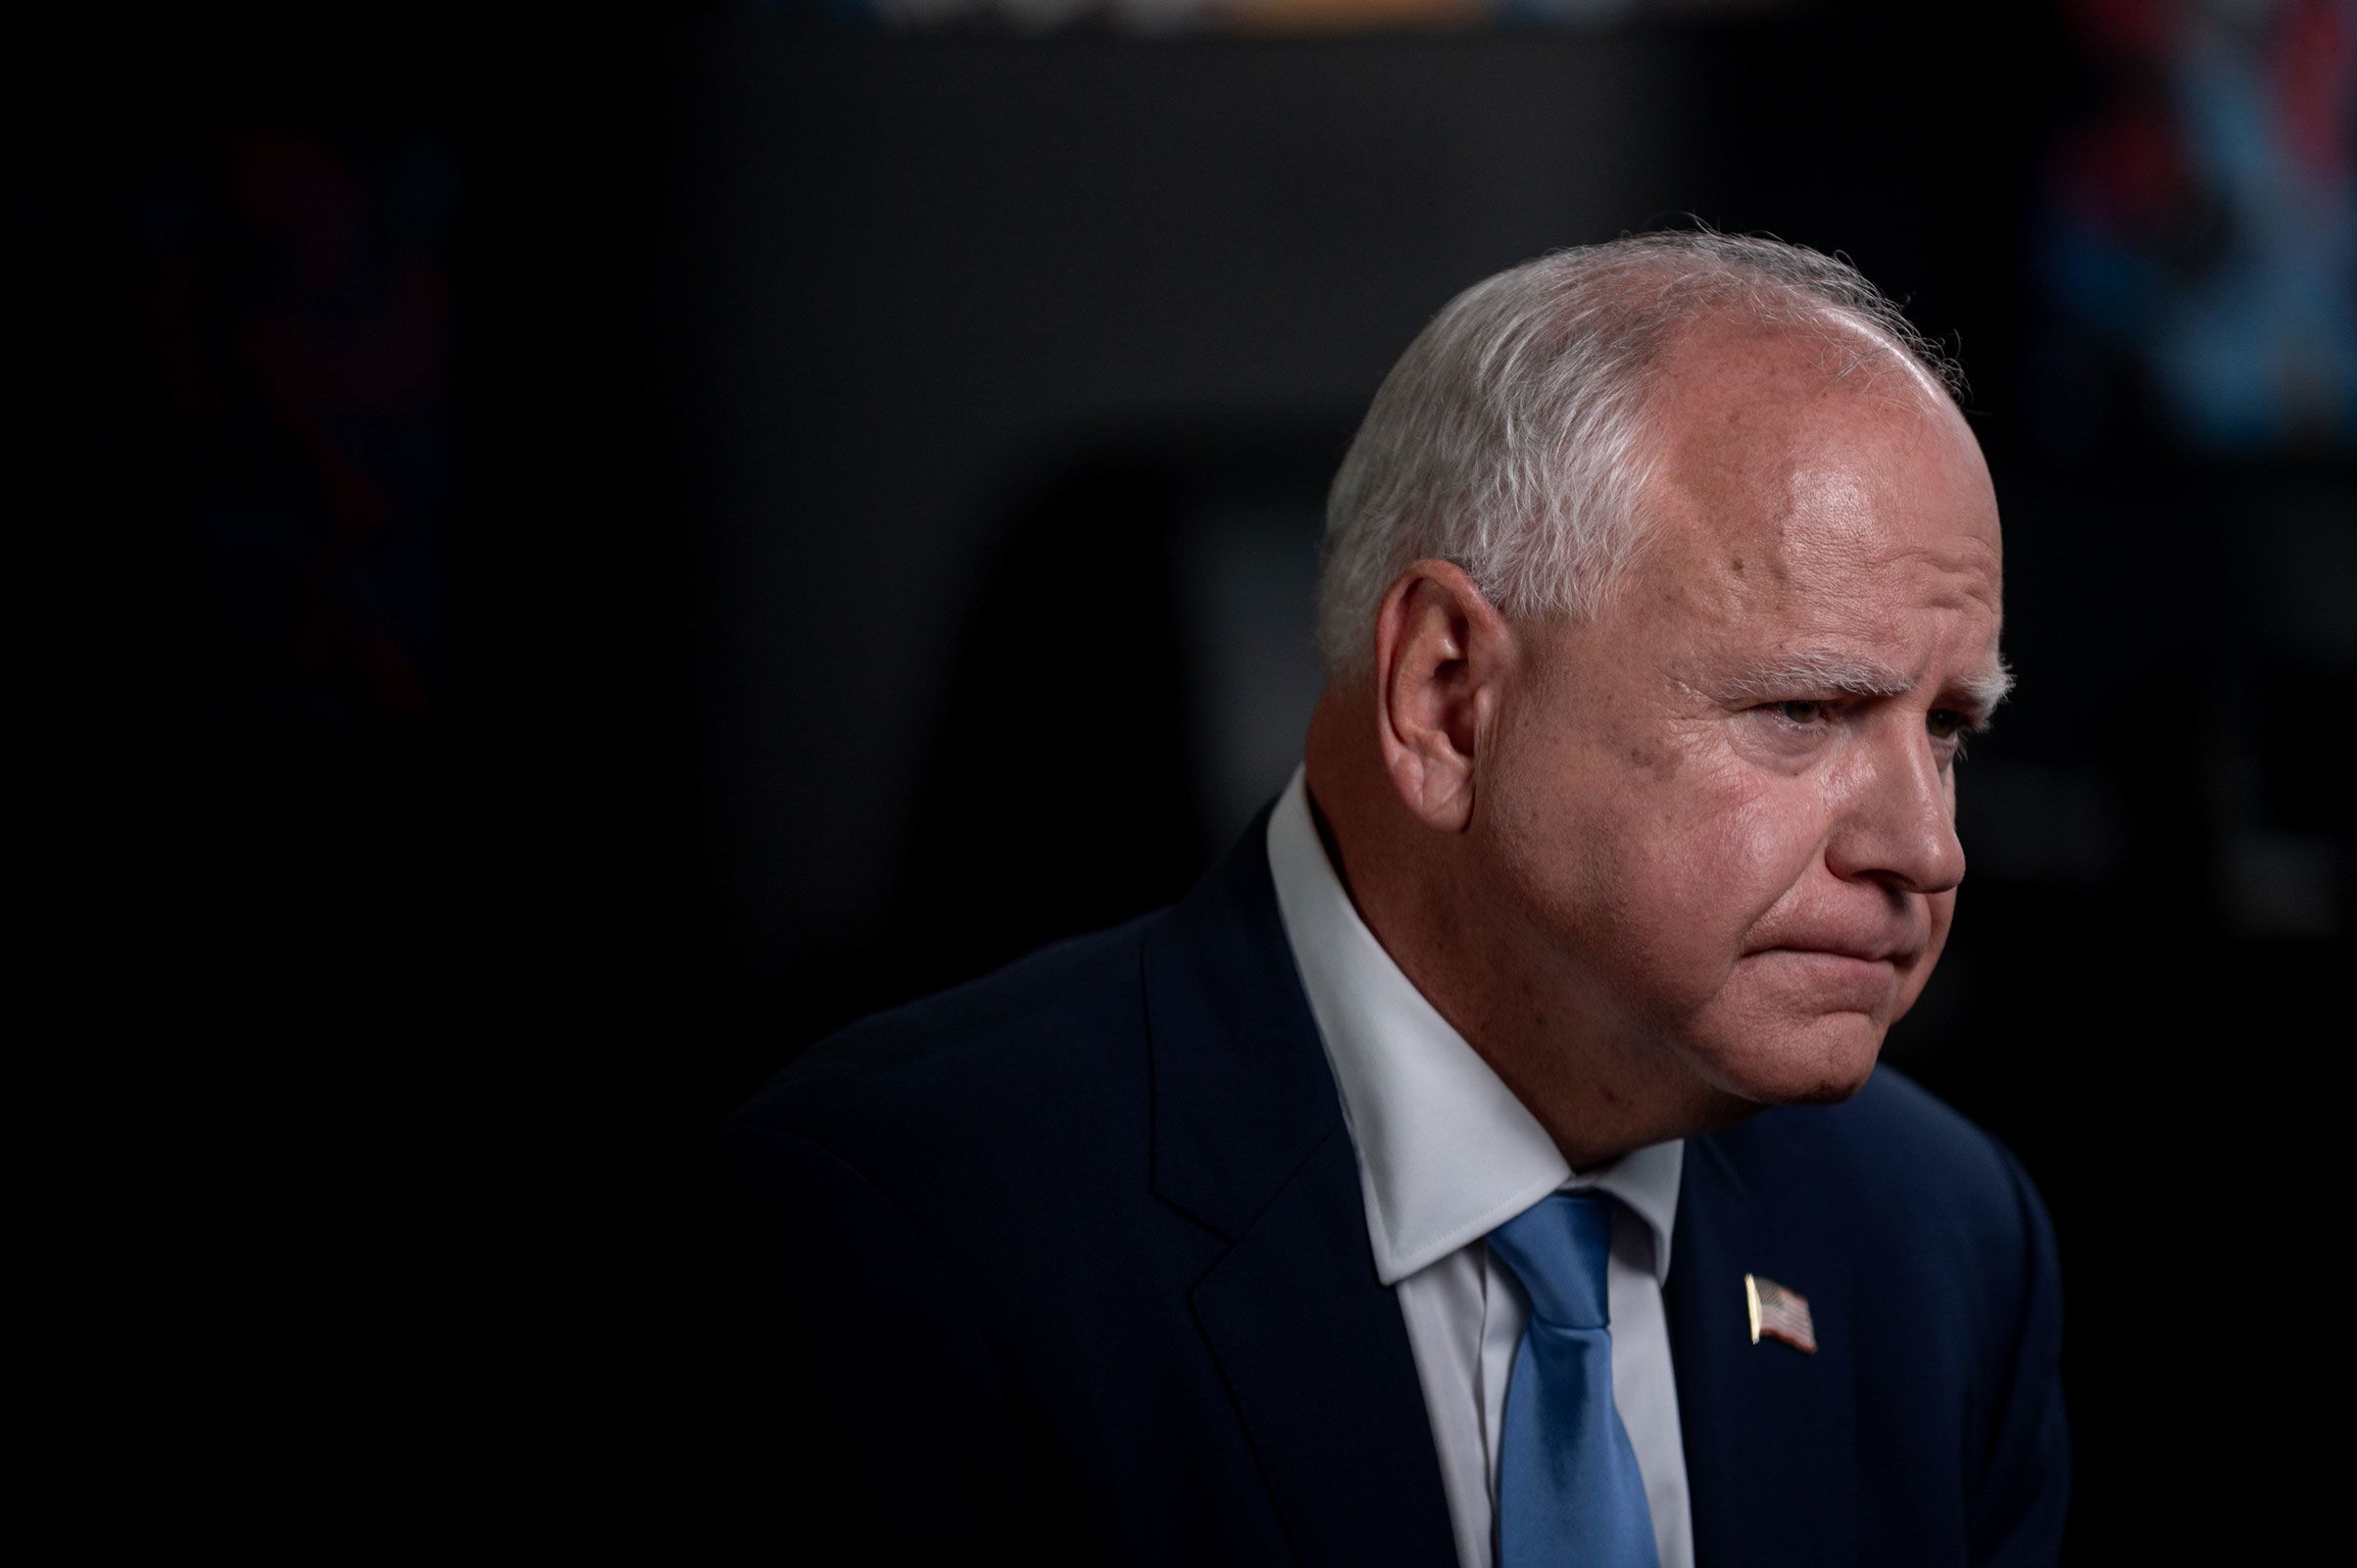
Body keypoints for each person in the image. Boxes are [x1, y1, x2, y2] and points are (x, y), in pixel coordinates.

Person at [702, 231, 2068, 1566]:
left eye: (1946, 727)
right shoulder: (898, 1235)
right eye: (1803, 711)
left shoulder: (1938, 1237)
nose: (1926, 848)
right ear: (1447, 700)